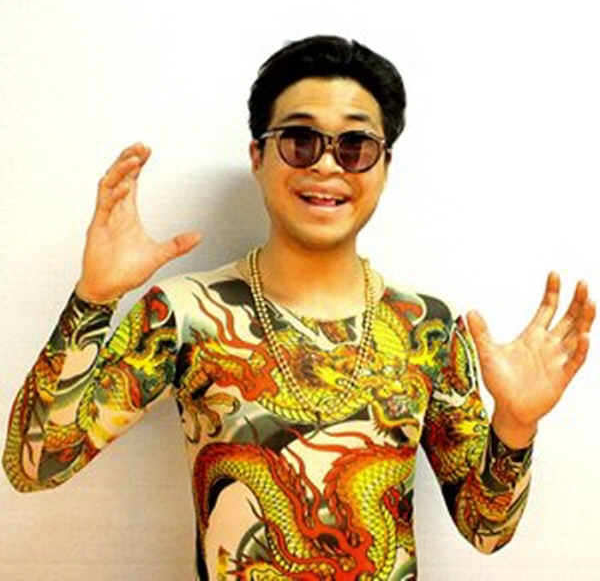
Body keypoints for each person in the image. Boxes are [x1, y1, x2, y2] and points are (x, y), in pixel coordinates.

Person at [2, 35, 595, 580]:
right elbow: (35, 466)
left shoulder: (427, 328)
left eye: (355, 146)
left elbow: (486, 530)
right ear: (258, 156)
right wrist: (94, 300)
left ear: (385, 166)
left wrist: (516, 423)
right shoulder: (186, 314)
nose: (327, 165)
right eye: (300, 141)